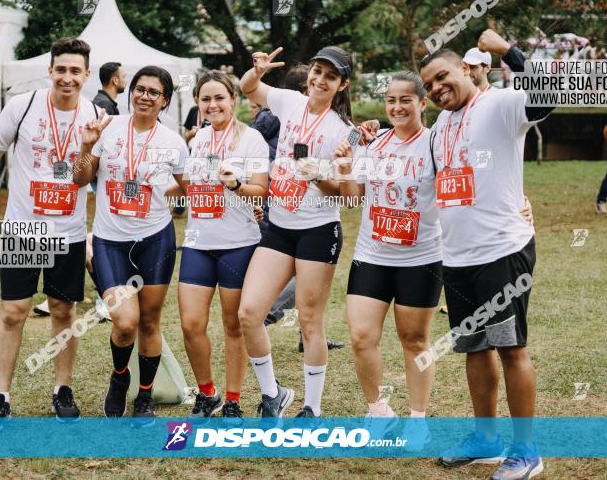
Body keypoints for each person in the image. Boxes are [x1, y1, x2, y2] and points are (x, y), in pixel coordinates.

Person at [423, 29, 552, 479]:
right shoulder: (441, 125)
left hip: (502, 249)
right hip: (457, 255)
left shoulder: (499, 104)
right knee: (474, 348)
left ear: (466, 69)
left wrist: (508, 51)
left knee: (511, 348)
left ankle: (527, 451)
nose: (437, 89)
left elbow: (548, 93)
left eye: (443, 77)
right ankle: (485, 438)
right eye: (429, 86)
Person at [0, 37, 100, 430]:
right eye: (61, 69)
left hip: (69, 230)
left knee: (63, 310)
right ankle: (1, 396)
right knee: (13, 312)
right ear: (50, 71)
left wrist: (87, 148)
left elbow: (84, 179)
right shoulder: (22, 107)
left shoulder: (94, 112)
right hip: (23, 229)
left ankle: (62, 389)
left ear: (87, 75)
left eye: (76, 71)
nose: (68, 77)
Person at [238, 46, 354, 418]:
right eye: (317, 72)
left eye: (330, 76)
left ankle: (312, 408)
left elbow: (346, 196)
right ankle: (273, 394)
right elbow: (247, 89)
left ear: (342, 85)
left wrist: (319, 175)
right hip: (279, 227)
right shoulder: (289, 101)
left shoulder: (344, 132)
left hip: (317, 230)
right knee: (249, 313)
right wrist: (256, 71)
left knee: (308, 320)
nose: (320, 80)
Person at [72, 65, 189, 423]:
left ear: (164, 100)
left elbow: (187, 186)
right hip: (111, 241)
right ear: (130, 92)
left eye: (154, 92)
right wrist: (87, 146)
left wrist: (160, 191)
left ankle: (144, 396)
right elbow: (80, 178)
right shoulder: (109, 129)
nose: (145, 96)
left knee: (150, 321)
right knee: (125, 322)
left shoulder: (173, 142)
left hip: (156, 239)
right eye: (140, 88)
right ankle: (120, 378)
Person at [334, 71, 443, 440]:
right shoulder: (372, 144)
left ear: (422, 103)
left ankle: (417, 419)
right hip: (372, 254)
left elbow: (459, 194)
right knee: (362, 336)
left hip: (421, 258)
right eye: (391, 100)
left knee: (414, 341)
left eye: (405, 100)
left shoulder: (433, 144)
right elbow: (351, 199)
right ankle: (378, 410)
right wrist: (347, 166)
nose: (397, 107)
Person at [170, 71, 269, 420]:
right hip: (198, 242)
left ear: (234, 100)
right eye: (206, 99)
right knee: (191, 324)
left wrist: (237, 185)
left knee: (232, 325)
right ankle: (206, 392)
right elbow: (191, 187)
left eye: (219, 98)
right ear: (199, 103)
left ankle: (233, 399)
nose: (213, 104)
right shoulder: (196, 141)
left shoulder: (252, 139)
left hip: (238, 244)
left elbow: (261, 190)